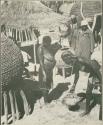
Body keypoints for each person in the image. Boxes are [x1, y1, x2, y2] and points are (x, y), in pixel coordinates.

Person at [70, 19, 95, 93]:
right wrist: (74, 48)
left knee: (86, 65)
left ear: (86, 26)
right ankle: (76, 82)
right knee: (78, 64)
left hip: (86, 51)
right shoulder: (79, 32)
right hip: (79, 52)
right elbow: (75, 39)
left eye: (84, 26)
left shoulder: (89, 32)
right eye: (82, 26)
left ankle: (85, 80)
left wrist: (91, 50)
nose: (83, 27)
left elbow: (92, 42)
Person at [37, 36, 56, 103]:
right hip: (44, 69)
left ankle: (47, 98)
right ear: (45, 42)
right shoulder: (40, 49)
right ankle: (46, 102)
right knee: (44, 86)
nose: (49, 44)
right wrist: (44, 73)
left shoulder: (48, 47)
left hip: (49, 69)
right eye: (48, 43)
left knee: (48, 84)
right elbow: (41, 62)